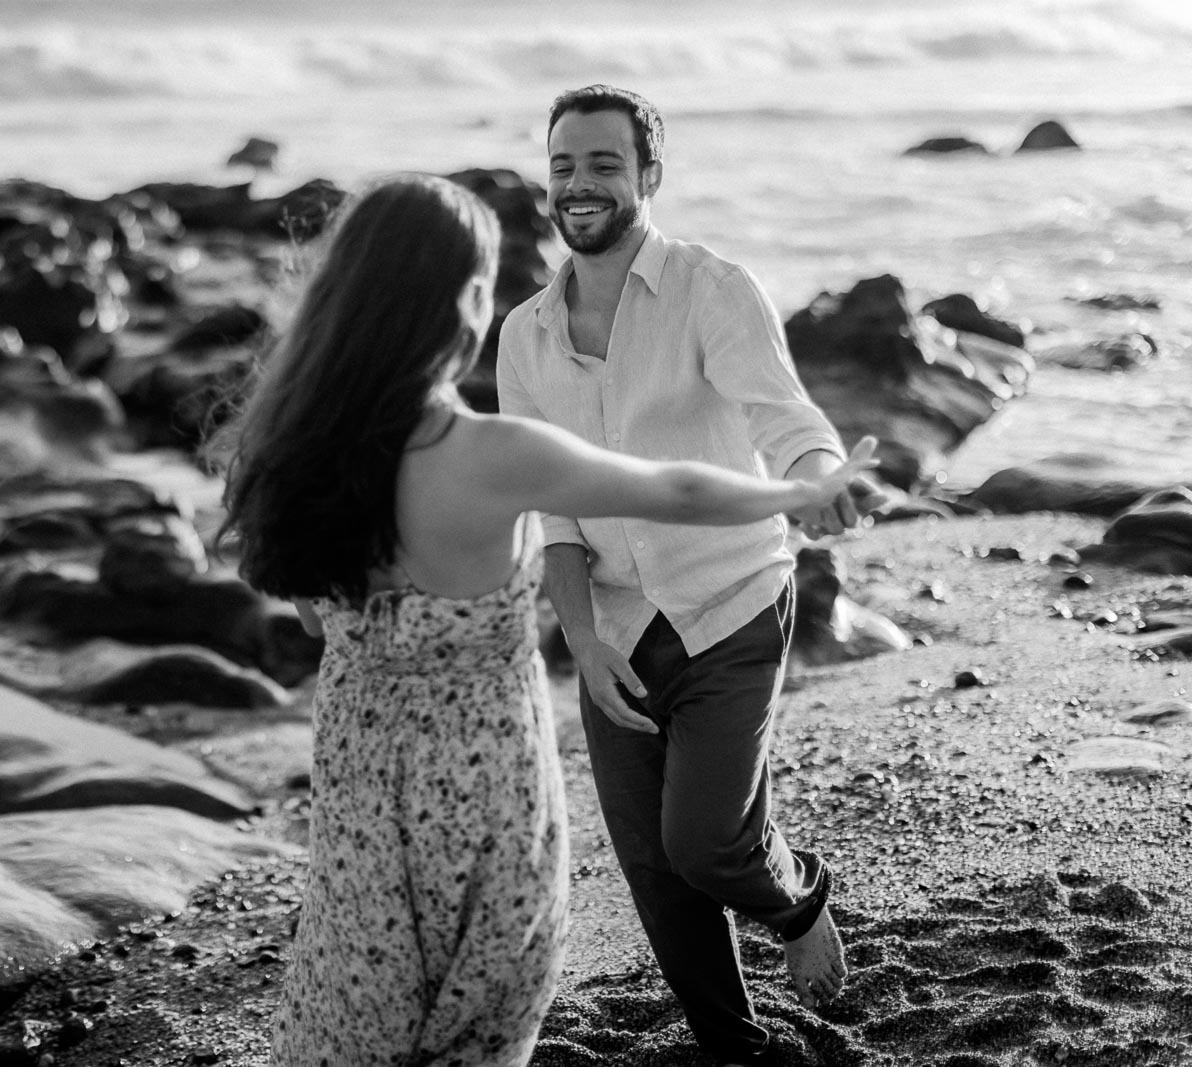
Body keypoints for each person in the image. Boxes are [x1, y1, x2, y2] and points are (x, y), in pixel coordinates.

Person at [217, 173, 876, 1067]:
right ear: (459, 300)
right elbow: (672, 487)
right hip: (485, 798)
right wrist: (801, 491)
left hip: (361, 789)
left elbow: (306, 611)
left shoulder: (288, 453)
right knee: (478, 1022)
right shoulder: (487, 455)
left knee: (355, 1004)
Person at [496, 84, 870, 1067]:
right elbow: (555, 510)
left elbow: (777, 412)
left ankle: (799, 900)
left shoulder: (711, 287)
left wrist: (817, 479)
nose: (578, 185)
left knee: (707, 841)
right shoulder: (524, 337)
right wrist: (581, 640)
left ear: (649, 177)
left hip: (731, 595)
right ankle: (731, 1044)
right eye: (563, 165)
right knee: (657, 869)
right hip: (612, 623)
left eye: (603, 165)